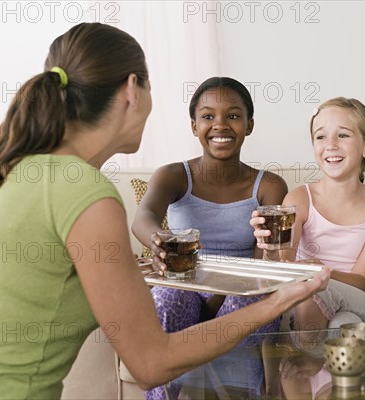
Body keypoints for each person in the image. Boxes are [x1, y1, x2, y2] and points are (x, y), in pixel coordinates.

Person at [0, 23, 329, 399]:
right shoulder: (86, 192)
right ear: (133, 89)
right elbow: (151, 364)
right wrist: (278, 300)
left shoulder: (19, 170)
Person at [131, 76, 289, 399]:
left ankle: (224, 389)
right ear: (193, 126)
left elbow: (264, 267)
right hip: (187, 287)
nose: (220, 125)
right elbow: (143, 218)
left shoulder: (269, 185)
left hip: (240, 292)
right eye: (208, 116)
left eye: (233, 115)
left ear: (249, 124)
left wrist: (223, 293)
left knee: (256, 299)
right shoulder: (174, 175)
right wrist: (159, 241)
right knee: (166, 298)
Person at [251, 97, 365, 398]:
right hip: (311, 317)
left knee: (316, 284)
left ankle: (315, 353)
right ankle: (330, 359)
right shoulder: (299, 199)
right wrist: (271, 250)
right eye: (320, 136)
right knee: (343, 323)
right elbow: (284, 271)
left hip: (362, 302)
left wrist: (315, 272)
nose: (331, 144)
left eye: (343, 135)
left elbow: (361, 281)